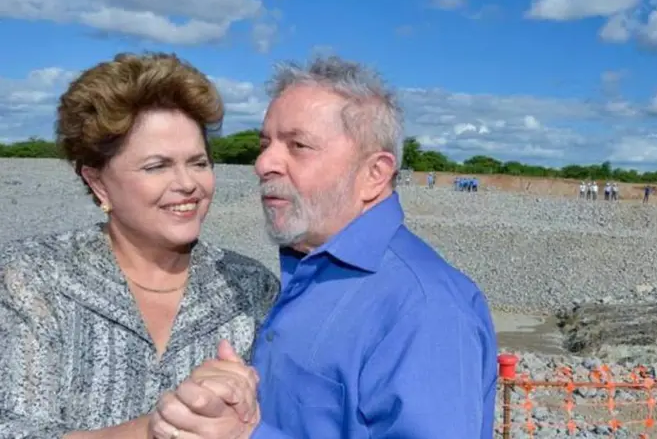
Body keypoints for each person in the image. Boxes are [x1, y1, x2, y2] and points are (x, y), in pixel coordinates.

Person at [207, 55, 496, 439]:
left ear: (374, 174)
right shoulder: (306, 266)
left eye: (298, 145)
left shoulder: (425, 308)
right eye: (265, 143)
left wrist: (245, 436)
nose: (263, 163)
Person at [0, 52, 279, 438]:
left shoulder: (250, 286)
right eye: (157, 166)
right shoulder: (31, 276)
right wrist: (156, 430)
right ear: (98, 182)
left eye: (198, 163)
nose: (187, 184)